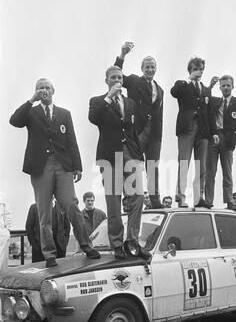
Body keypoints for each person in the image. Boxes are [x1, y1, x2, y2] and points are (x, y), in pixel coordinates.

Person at [10, 78, 100, 268]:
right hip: (40, 167)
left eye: (47, 87)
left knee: (72, 206)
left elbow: (72, 140)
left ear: (53, 91)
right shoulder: (31, 112)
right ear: (36, 91)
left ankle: (86, 245)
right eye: (41, 88)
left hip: (62, 165)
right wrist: (31, 100)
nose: (44, 90)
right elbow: (14, 121)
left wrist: (77, 166)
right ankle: (49, 254)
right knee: (44, 212)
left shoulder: (64, 114)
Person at [88, 65, 151, 260]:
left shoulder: (130, 102)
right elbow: (94, 118)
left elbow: (132, 132)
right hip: (110, 156)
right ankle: (116, 244)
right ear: (106, 80)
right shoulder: (98, 101)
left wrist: (139, 156)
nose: (117, 80)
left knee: (137, 197)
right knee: (113, 202)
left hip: (130, 154)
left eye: (120, 77)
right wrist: (108, 98)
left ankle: (132, 241)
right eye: (113, 77)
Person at [114, 42, 164, 209]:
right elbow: (117, 75)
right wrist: (122, 55)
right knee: (132, 165)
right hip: (137, 130)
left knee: (153, 167)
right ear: (142, 68)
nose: (150, 70)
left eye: (152, 67)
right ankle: (128, 201)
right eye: (147, 67)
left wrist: (159, 135)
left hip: (154, 134)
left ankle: (155, 200)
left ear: (155, 69)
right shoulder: (135, 81)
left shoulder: (160, 89)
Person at [171, 56, 218, 209]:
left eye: (201, 69)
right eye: (195, 69)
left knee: (201, 166)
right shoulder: (182, 84)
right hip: (187, 128)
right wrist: (189, 78)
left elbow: (210, 112)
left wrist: (214, 132)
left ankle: (199, 197)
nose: (199, 72)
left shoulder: (205, 90)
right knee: (184, 162)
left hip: (203, 131)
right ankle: (181, 197)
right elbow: (174, 92)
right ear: (190, 70)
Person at [205, 75, 236, 210]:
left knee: (227, 172)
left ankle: (229, 200)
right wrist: (210, 85)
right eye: (223, 85)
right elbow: (205, 98)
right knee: (210, 171)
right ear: (220, 87)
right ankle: (208, 201)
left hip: (229, 139)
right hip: (214, 138)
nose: (225, 87)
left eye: (228, 85)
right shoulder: (214, 101)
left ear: (232, 86)